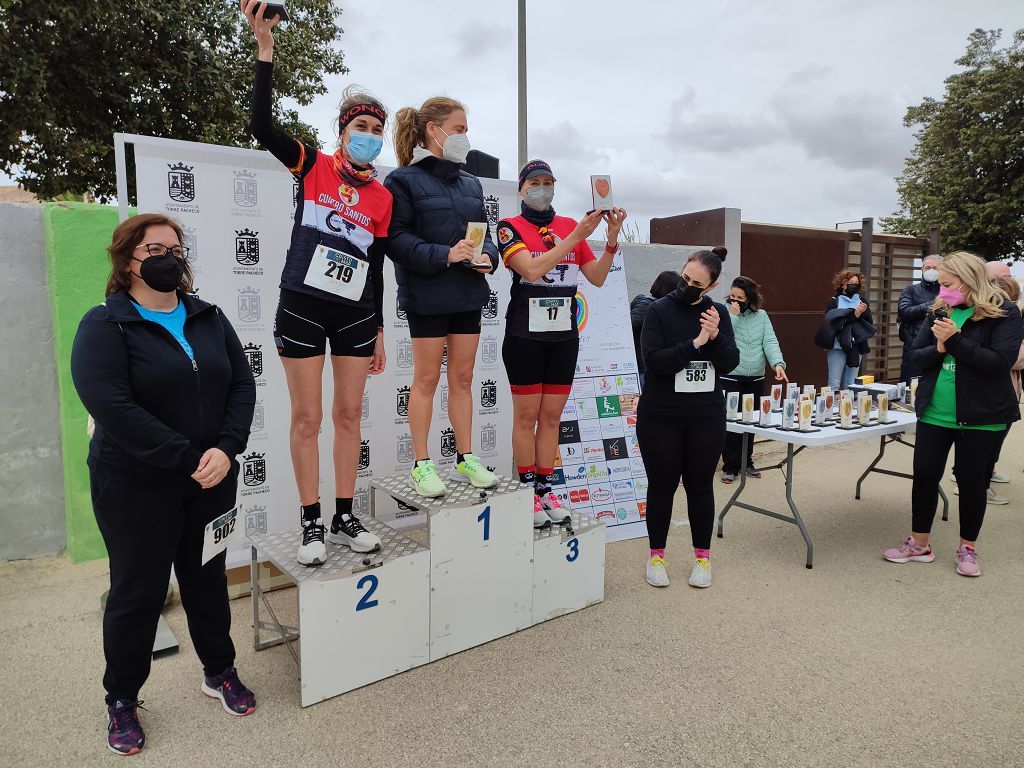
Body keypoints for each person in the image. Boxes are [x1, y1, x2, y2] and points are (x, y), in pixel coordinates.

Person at [71, 214, 257, 755]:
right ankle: (121, 699)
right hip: (134, 484)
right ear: (127, 259)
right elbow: (111, 405)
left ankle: (219, 671)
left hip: (211, 479)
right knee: (138, 591)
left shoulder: (209, 317)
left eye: (176, 248)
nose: (168, 257)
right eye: (155, 248)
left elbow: (240, 385)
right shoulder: (104, 324)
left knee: (207, 579)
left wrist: (225, 449)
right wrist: (188, 456)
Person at [244, 0, 388, 566]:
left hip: (354, 314)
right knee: (307, 418)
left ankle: (344, 514)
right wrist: (265, 49)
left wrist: (377, 327)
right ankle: (310, 523)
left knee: (349, 417)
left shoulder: (383, 195)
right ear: (342, 131)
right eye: (361, 127)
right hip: (302, 307)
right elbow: (260, 127)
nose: (369, 136)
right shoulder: (312, 165)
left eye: (377, 130)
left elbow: (375, 265)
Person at [496, 159, 627, 527]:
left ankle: (544, 487)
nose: (543, 188)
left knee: (551, 417)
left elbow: (598, 278)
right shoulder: (510, 227)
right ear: (521, 189)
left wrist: (611, 238)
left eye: (548, 182)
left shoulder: (570, 225)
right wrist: (575, 238)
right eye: (535, 182)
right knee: (526, 417)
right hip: (524, 336)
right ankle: (526, 490)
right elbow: (531, 270)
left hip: (563, 337)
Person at [383, 95, 500, 498]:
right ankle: (421, 464)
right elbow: (395, 240)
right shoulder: (403, 180)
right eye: (459, 129)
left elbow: (488, 236)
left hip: (468, 294)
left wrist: (488, 257)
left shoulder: (471, 182)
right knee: (427, 378)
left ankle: (467, 458)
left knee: (464, 378)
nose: (464, 138)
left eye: (466, 130)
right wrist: (444, 255)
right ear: (433, 131)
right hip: (427, 295)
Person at [884, 252, 1023, 577]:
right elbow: (916, 359)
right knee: (925, 476)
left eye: (947, 284)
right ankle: (919, 544)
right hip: (935, 412)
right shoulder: (941, 311)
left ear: (968, 279)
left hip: (982, 414)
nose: (942, 291)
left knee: (973, 482)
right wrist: (940, 348)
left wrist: (955, 341)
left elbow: (998, 363)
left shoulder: (1005, 313)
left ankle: (968, 548)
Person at [637, 247, 739, 589]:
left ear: (710, 287)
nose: (688, 286)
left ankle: (703, 559)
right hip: (660, 416)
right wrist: (696, 343)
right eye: (685, 278)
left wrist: (714, 338)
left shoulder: (718, 313)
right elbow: (655, 361)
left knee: (699, 486)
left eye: (697, 283)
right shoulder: (659, 311)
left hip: (705, 417)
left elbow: (730, 362)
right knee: (662, 485)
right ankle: (656, 556)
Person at [719, 276, 788, 484]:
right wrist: (732, 316)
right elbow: (721, 338)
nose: (735, 300)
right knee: (731, 422)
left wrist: (778, 364)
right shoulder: (724, 312)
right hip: (730, 375)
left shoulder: (762, 316)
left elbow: (770, 341)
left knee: (751, 421)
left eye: (740, 297)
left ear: (750, 298)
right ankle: (729, 466)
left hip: (756, 376)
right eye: (732, 296)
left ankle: (747, 462)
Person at [815, 270, 875, 389]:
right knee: (834, 382)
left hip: (856, 345)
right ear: (843, 284)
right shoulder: (833, 301)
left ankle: (849, 406)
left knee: (852, 384)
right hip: (838, 346)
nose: (854, 285)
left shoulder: (862, 301)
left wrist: (864, 312)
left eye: (856, 282)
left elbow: (868, 324)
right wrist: (855, 314)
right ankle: (831, 407)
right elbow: (832, 324)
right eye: (851, 282)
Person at [631, 271, 681, 389]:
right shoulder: (648, 305)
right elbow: (628, 326)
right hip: (641, 367)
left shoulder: (662, 307)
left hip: (650, 366)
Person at [897, 254, 942, 383]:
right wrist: (934, 304)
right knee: (910, 387)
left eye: (935, 268)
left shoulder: (947, 290)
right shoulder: (911, 290)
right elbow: (905, 312)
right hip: (914, 346)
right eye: (927, 267)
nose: (931, 271)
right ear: (922, 269)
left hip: (939, 347)